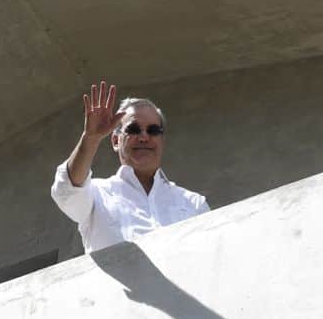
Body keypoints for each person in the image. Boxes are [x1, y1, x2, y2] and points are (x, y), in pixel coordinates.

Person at [50, 81, 208, 253]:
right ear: (116, 141)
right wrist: (91, 138)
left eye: (153, 130)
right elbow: (66, 192)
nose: (144, 137)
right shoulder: (97, 194)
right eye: (133, 129)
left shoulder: (194, 203)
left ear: (162, 141)